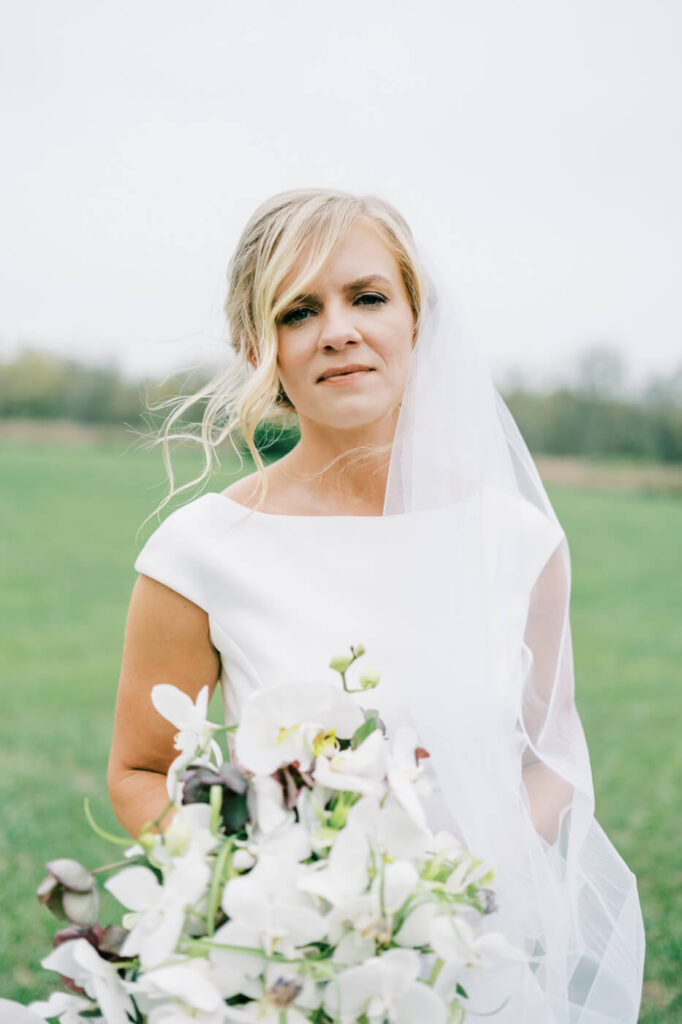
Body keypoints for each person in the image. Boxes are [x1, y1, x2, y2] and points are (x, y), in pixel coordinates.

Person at [107, 188, 645, 1021]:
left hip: (470, 955)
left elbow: (547, 761)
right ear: (260, 348)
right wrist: (266, 893)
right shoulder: (199, 552)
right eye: (298, 311)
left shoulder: (516, 540)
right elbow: (141, 772)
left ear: (417, 322)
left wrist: (454, 892)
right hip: (281, 965)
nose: (338, 330)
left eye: (367, 297)